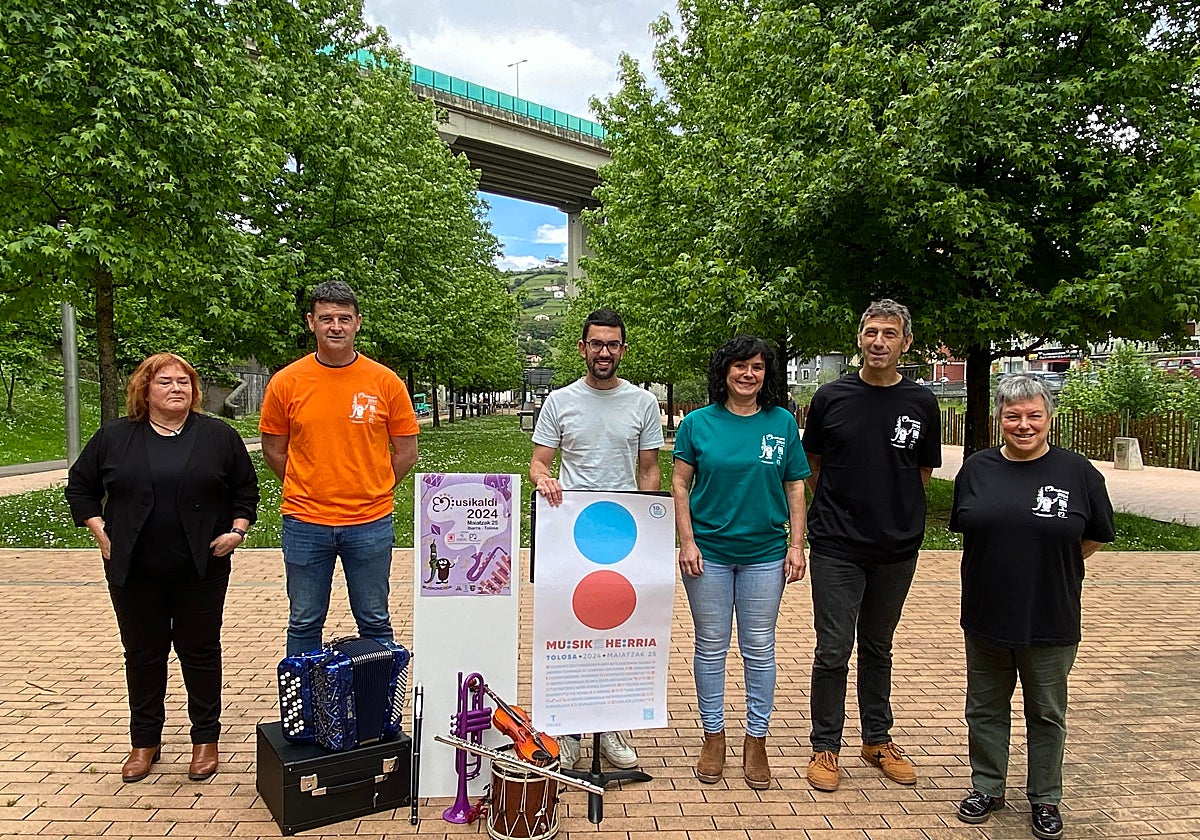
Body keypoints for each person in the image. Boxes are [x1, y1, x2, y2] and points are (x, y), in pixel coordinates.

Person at [65, 353, 259, 783]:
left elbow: (245, 489)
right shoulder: (115, 436)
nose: (176, 389)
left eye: (184, 382)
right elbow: (80, 487)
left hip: (201, 567)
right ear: (145, 390)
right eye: (165, 382)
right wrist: (100, 532)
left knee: (200, 651)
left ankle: (205, 738)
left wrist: (237, 531)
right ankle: (144, 741)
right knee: (143, 654)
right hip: (134, 568)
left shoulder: (219, 436)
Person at [950, 374, 1114, 840]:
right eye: (1013, 416)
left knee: (1046, 712)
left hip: (1050, 612)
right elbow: (969, 526)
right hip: (986, 611)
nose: (1024, 425)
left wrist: (1052, 563)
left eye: (1034, 415)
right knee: (985, 708)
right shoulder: (977, 469)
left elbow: (1096, 534)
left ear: (1049, 419)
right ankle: (987, 786)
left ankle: (1045, 797)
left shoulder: (1078, 472)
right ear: (998, 419)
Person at [802, 298, 941, 792]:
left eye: (889, 334)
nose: (878, 342)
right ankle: (825, 746)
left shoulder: (922, 402)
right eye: (871, 333)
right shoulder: (830, 397)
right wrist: (841, 508)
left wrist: (893, 511)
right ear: (860, 338)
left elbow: (922, 470)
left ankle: (877, 739)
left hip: (896, 547)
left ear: (906, 342)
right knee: (833, 648)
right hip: (836, 544)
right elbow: (813, 465)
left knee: (879, 645)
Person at [529, 308, 664, 770]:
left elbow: (649, 470)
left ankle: (612, 728)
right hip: (570, 534)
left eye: (612, 344)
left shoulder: (643, 403)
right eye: (596, 343)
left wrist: (650, 528)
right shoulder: (559, 401)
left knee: (619, 631)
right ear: (583, 347)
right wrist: (544, 479)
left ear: (622, 349)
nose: (604, 352)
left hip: (623, 534)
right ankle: (568, 729)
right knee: (570, 630)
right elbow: (540, 463)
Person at [672, 335, 809, 789]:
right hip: (707, 554)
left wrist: (796, 545)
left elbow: (795, 486)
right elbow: (680, 484)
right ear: (724, 371)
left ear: (767, 374)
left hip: (765, 555)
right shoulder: (697, 423)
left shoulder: (782, 422)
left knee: (759, 648)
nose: (748, 374)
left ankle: (756, 738)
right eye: (740, 366)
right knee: (710, 647)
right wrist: (687, 541)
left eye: (758, 367)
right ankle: (713, 735)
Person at [260, 281, 419, 656]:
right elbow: (274, 450)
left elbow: (406, 452)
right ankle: (305, 694)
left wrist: (373, 485)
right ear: (310, 322)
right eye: (326, 318)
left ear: (358, 323)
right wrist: (308, 483)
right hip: (305, 521)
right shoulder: (286, 382)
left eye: (344, 318)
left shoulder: (385, 382)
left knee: (374, 620)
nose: (336, 326)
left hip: (370, 521)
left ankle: (376, 692)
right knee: (304, 621)